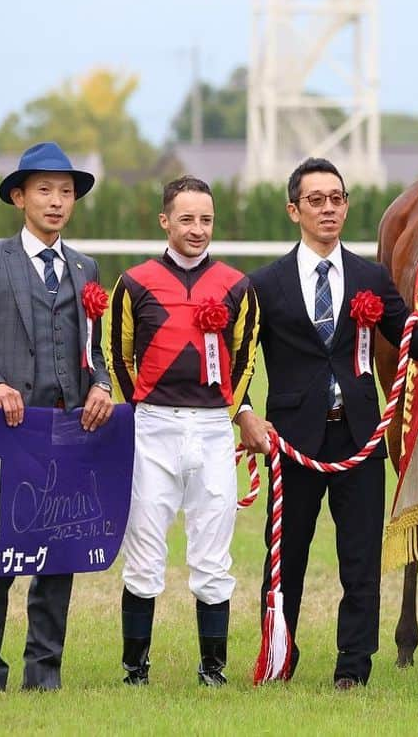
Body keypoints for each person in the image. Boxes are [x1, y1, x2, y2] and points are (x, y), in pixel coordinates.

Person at [236, 157, 418, 689]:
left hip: (358, 437)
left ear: (346, 205)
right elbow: (236, 359)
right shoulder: (264, 284)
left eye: (337, 199)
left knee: (360, 562)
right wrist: (244, 415)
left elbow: (413, 342)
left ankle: (353, 668)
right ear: (294, 210)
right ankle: (280, 657)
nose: (328, 209)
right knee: (286, 559)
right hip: (292, 441)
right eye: (316, 200)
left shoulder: (371, 278)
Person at [0, 141, 114, 691]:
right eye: (44, 190)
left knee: (57, 555)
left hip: (68, 433)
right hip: (5, 434)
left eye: (65, 192)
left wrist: (103, 385)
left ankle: (45, 674)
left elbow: (97, 350)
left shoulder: (86, 268)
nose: (56, 201)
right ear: (19, 197)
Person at [107, 175, 260, 687]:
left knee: (213, 554)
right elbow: (118, 356)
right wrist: (141, 410)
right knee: (145, 552)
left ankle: (212, 670)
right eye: (187, 219)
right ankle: (135, 669)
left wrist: (228, 410)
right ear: (165, 221)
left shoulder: (238, 286)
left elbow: (245, 361)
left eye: (207, 220)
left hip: (214, 431)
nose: (198, 229)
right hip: (152, 429)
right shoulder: (133, 283)